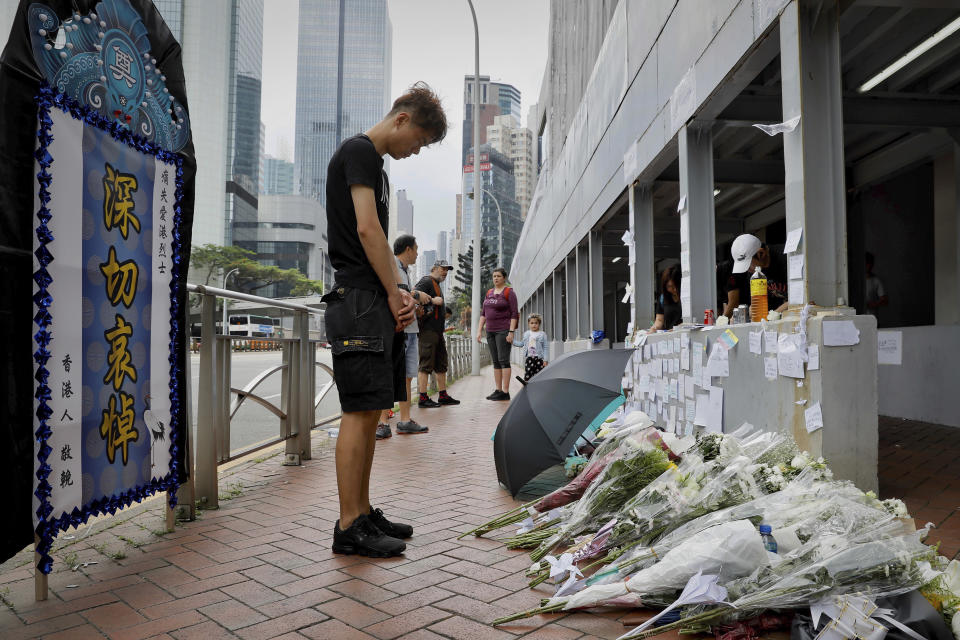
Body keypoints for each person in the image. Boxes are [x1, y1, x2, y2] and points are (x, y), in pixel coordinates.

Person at [322, 82, 447, 558]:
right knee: (358, 413)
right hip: (358, 298)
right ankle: (349, 524)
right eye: (417, 141)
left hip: (368, 298)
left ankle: (363, 511)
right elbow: (368, 228)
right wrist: (397, 291)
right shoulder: (360, 152)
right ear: (401, 119)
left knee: (372, 408)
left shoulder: (374, 164)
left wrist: (394, 292)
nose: (414, 152)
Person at [375, 235, 433, 439]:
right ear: (408, 249)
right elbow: (396, 292)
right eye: (416, 249)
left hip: (410, 329)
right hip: (397, 329)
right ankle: (382, 422)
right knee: (389, 376)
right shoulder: (392, 266)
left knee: (407, 376)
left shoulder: (405, 271)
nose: (417, 253)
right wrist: (418, 296)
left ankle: (405, 420)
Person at [415, 260, 460, 408]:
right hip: (427, 330)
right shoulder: (426, 281)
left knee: (441, 364)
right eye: (443, 269)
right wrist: (434, 301)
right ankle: (423, 397)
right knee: (425, 364)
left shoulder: (436, 285)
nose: (445, 272)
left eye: (447, 270)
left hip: (437, 331)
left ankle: (443, 395)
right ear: (434, 268)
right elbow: (414, 297)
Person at [477, 267, 519, 400]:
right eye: (494, 276)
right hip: (490, 331)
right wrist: (479, 331)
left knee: (503, 360)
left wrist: (511, 332)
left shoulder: (509, 292)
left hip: (503, 330)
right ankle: (498, 389)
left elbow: (514, 314)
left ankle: (505, 392)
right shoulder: (489, 292)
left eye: (498, 276)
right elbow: (483, 314)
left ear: (504, 278)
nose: (496, 278)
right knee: (495, 361)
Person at [724, 233, 788, 319]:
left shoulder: (787, 257)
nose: (748, 270)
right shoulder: (754, 272)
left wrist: (773, 316)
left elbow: (799, 298)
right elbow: (757, 301)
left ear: (761, 253)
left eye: (749, 265)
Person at [513, 313, 548, 381]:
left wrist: (545, 360)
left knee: (539, 375)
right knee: (528, 374)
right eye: (532, 323)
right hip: (529, 358)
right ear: (528, 324)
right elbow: (521, 344)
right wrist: (512, 341)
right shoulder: (526, 334)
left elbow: (545, 347)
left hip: (539, 358)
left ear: (539, 324)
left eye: (536, 323)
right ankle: (526, 387)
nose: (534, 325)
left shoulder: (542, 334)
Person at [649, 264, 682, 331]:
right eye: (670, 286)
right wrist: (654, 328)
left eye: (676, 286)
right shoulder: (663, 298)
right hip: (669, 337)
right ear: (665, 286)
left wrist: (677, 329)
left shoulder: (687, 297)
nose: (674, 289)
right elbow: (659, 320)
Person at [865, 252, 888, 320]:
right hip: (857, 319)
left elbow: (884, 300)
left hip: (872, 319)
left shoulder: (876, 280)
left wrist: (873, 304)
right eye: (867, 263)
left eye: (870, 263)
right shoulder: (856, 281)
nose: (868, 266)